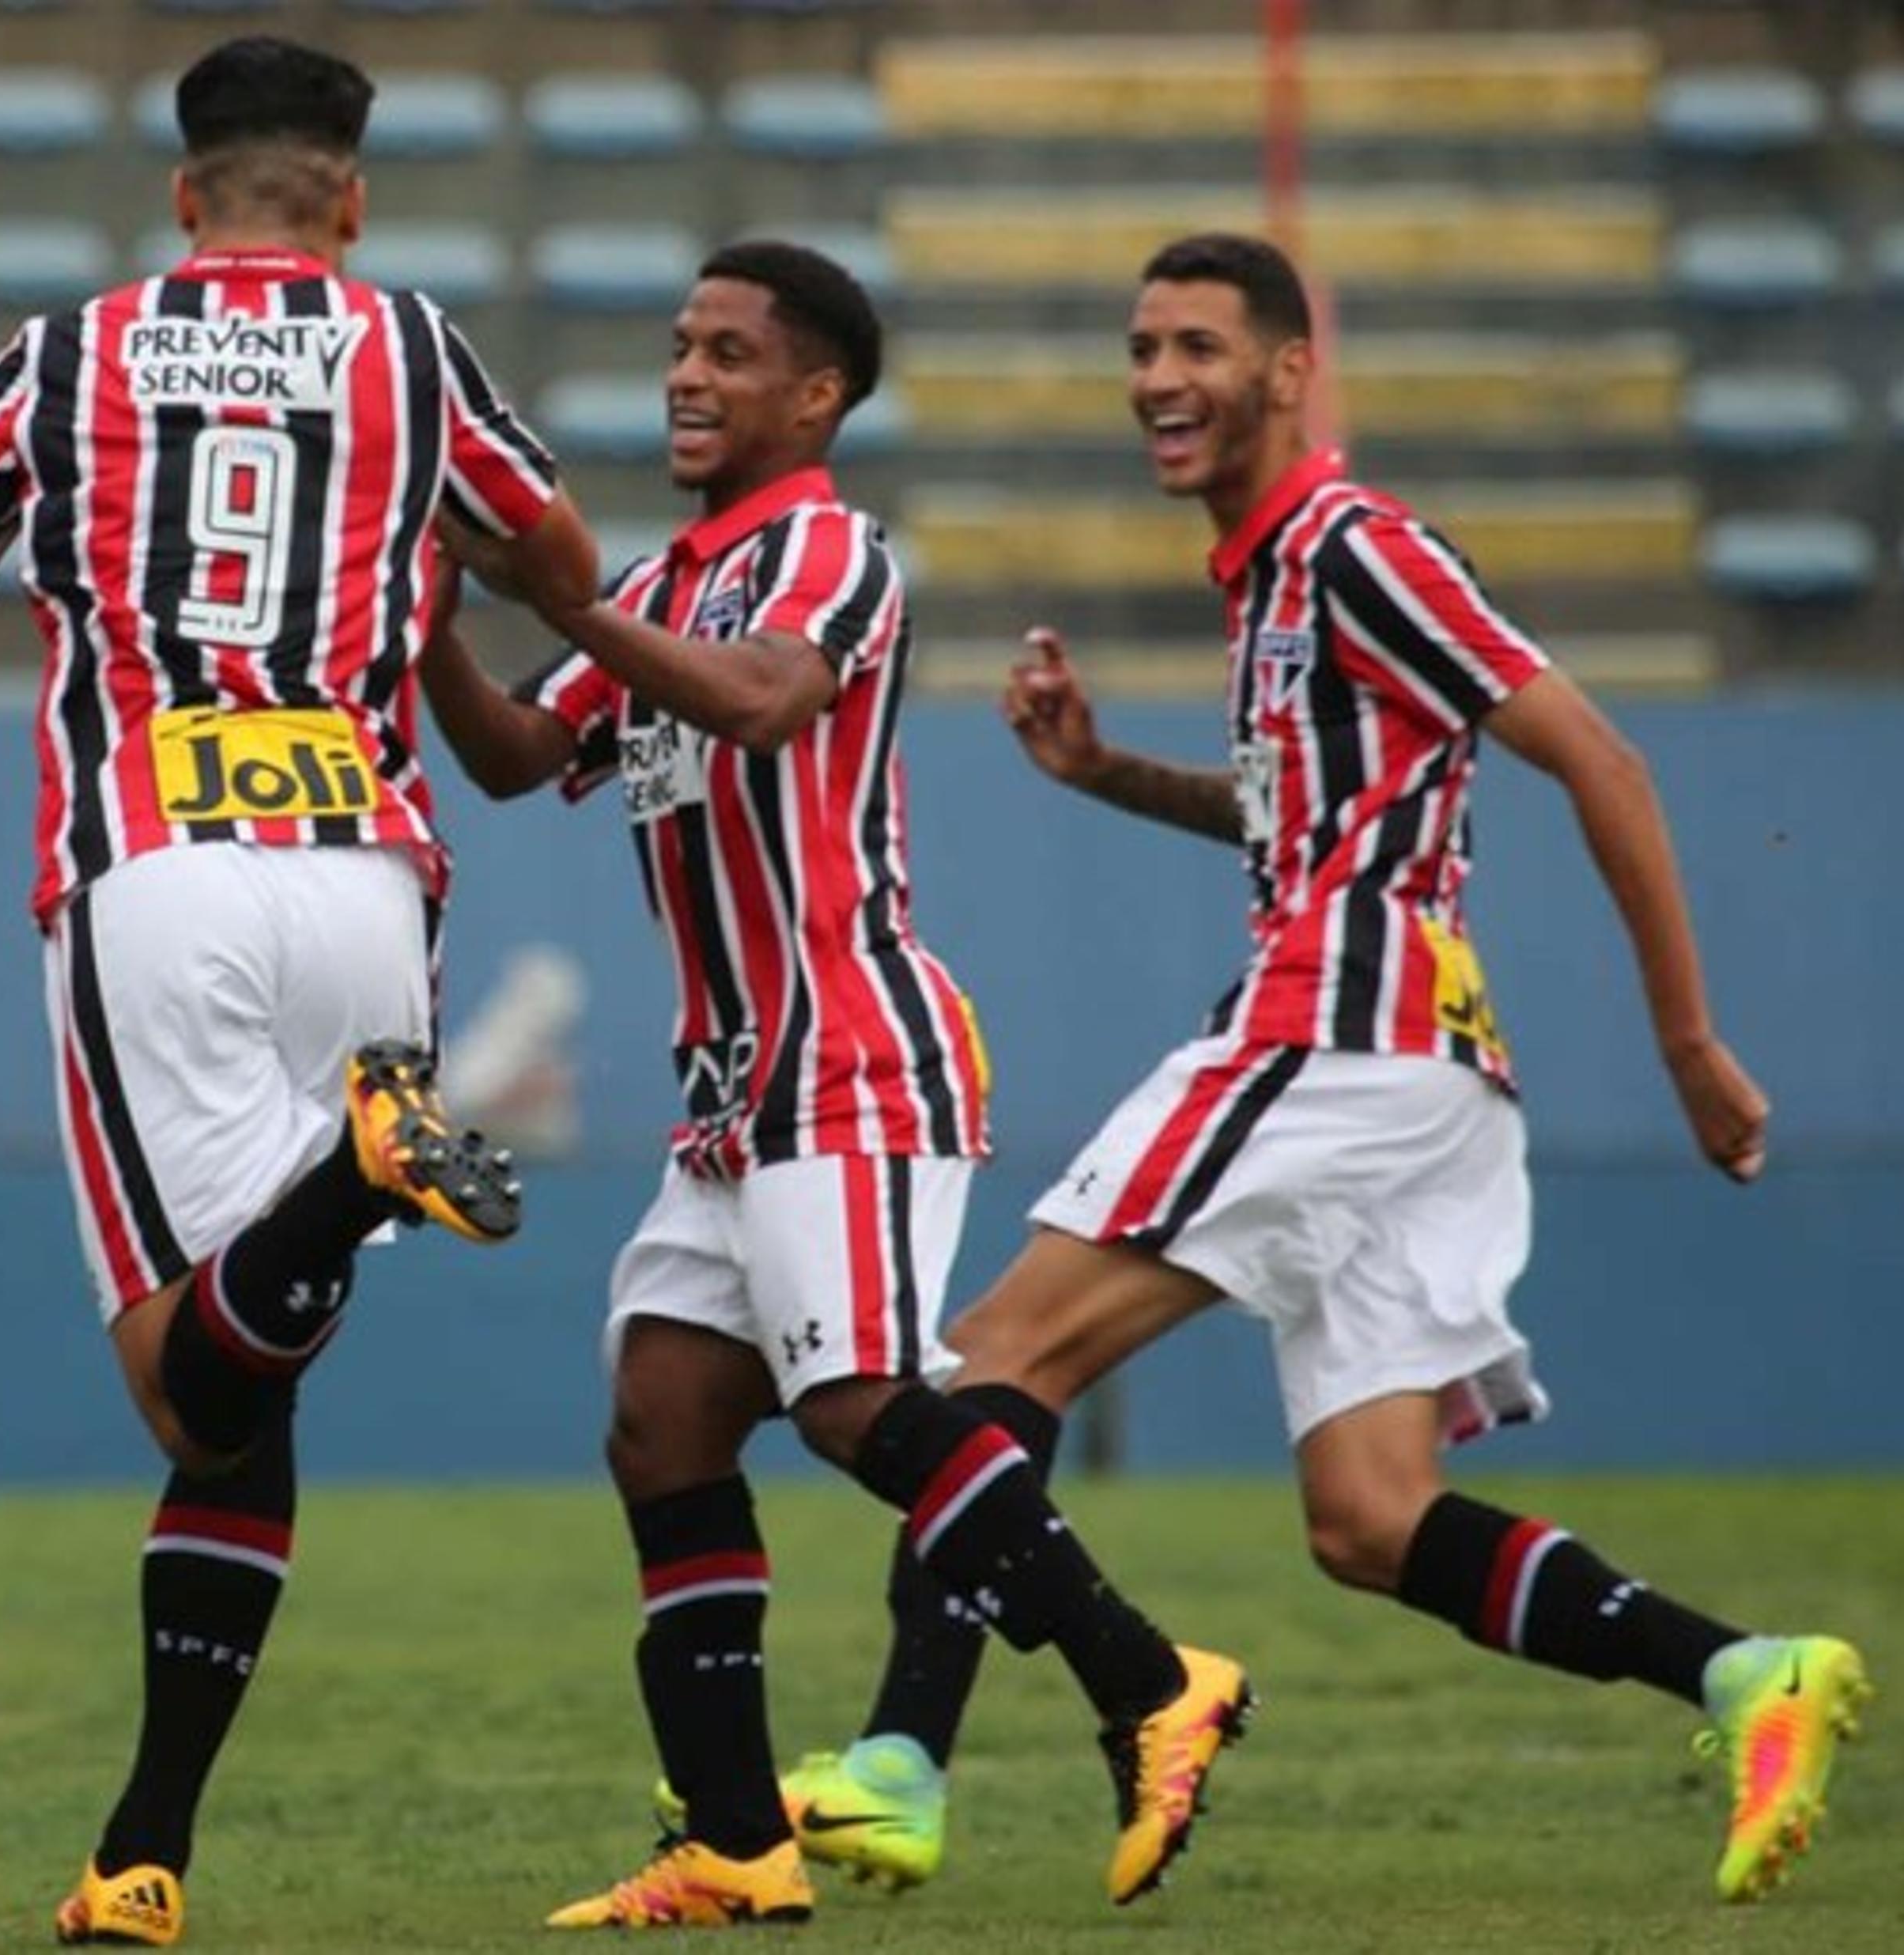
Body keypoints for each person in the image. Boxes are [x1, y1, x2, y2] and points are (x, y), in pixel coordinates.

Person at [769, 232, 1872, 1908]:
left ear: (1292, 368)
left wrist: (1688, 1043)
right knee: (1367, 1518)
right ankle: (1746, 1674)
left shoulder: (1357, 546)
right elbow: (1310, 821)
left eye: (1199, 345)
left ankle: (911, 1761)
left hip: (1332, 1034)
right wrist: (1105, 775)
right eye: (1142, 347)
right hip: (1419, 1072)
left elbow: (1600, 758)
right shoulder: (1272, 572)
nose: (1159, 379)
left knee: (994, 1355)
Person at [0, 37, 599, 1948]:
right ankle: (142, 1855)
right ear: (350, 201)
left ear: (184, 197)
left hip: (156, 873)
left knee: (181, 1380)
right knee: (250, 1395)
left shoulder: (64, 361)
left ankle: (365, 1174)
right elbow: (556, 553)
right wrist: (421, 567)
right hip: (370, 870)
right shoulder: (416, 355)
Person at [419, 240, 1252, 1930]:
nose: (687, 374)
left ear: (817, 396)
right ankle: (733, 1839)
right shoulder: (655, 583)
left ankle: (1152, 1677)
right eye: (678, 343)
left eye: (730, 352)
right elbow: (516, 758)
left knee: (854, 1404)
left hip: (851, 1045)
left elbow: (761, 703)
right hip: (733, 1086)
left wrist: (559, 591)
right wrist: (433, 606)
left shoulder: (833, 554)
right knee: (663, 1421)